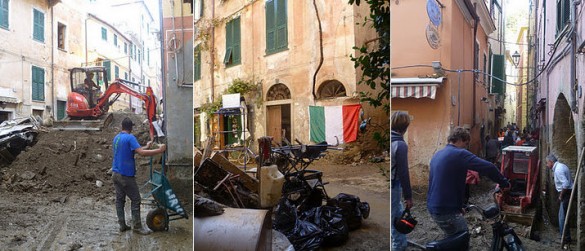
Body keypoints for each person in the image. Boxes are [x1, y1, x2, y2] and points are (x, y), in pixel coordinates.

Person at [428, 127, 510, 241]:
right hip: (445, 209)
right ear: (461, 140)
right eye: (466, 144)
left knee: (452, 238)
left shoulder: (438, 154)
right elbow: (489, 167)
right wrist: (504, 183)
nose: (466, 148)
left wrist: (458, 206)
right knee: (463, 237)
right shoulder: (460, 154)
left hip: (433, 206)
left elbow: (444, 183)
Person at [112, 117, 166, 235]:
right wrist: (159, 151)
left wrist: (147, 146)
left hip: (115, 174)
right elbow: (141, 153)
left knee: (119, 200)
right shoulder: (130, 137)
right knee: (136, 199)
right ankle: (137, 227)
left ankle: (122, 225)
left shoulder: (117, 138)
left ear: (122, 127)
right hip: (125, 175)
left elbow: (135, 150)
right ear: (131, 127)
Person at [391, 111, 413, 251]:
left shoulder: (390, 139)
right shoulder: (400, 144)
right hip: (395, 185)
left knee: (398, 212)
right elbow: (404, 173)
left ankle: (401, 242)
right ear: (405, 126)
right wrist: (408, 197)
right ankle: (398, 246)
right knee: (395, 217)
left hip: (393, 183)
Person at [546, 154, 573, 243]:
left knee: (561, 217)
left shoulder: (558, 170)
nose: (547, 165)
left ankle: (564, 238)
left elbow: (565, 184)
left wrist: (561, 196)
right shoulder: (561, 166)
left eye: (547, 163)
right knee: (563, 215)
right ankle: (566, 236)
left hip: (566, 193)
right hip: (567, 192)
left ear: (551, 162)